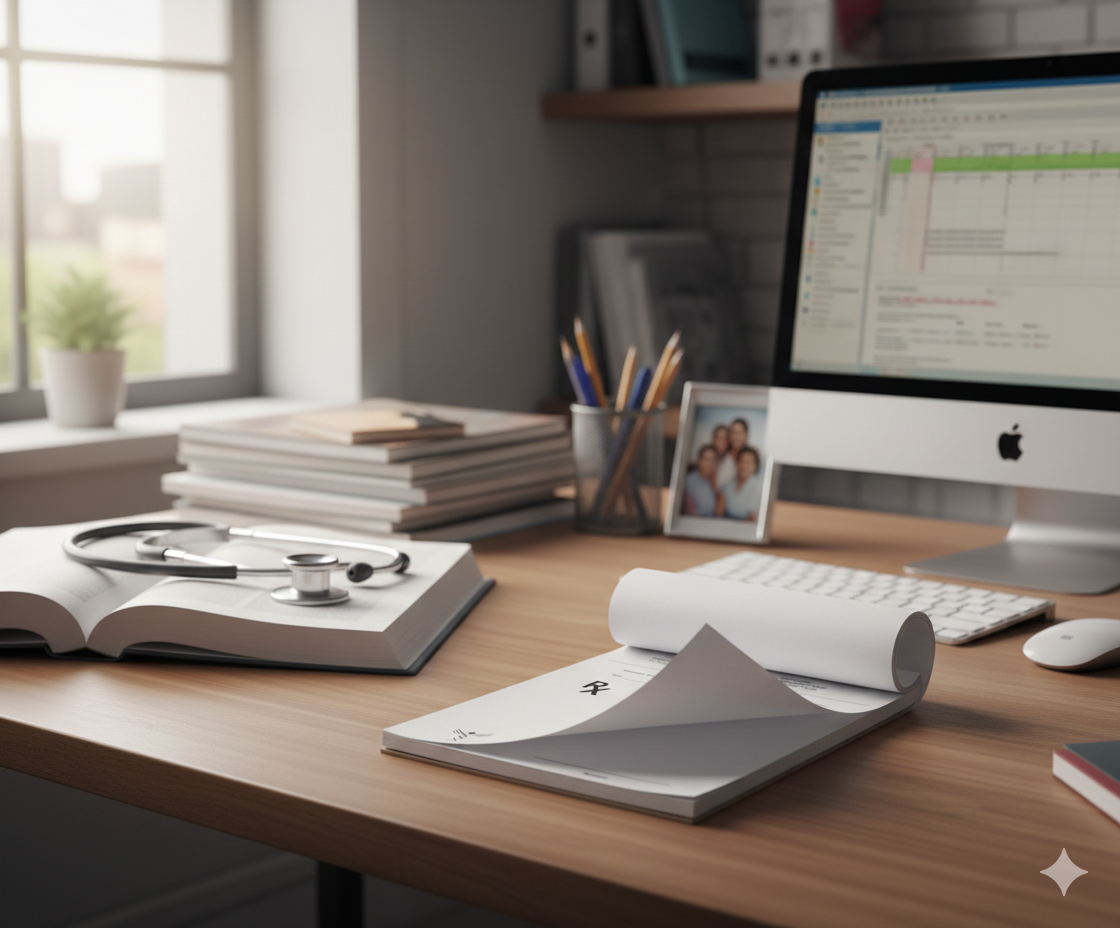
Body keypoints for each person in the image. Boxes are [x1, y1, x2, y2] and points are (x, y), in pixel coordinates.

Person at [718, 446, 762, 521]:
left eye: (748, 463)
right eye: (741, 461)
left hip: (744, 526)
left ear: (755, 466)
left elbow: (752, 517)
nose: (743, 466)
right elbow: (719, 511)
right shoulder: (730, 483)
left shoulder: (759, 486)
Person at [682, 444, 720, 517]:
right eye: (706, 459)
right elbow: (689, 513)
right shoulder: (690, 481)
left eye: (712, 460)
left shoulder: (714, 481)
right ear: (699, 460)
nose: (709, 464)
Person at [716, 418, 750, 489]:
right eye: (734, 433)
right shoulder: (722, 457)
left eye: (740, 433)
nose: (736, 437)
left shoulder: (752, 459)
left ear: (746, 435)